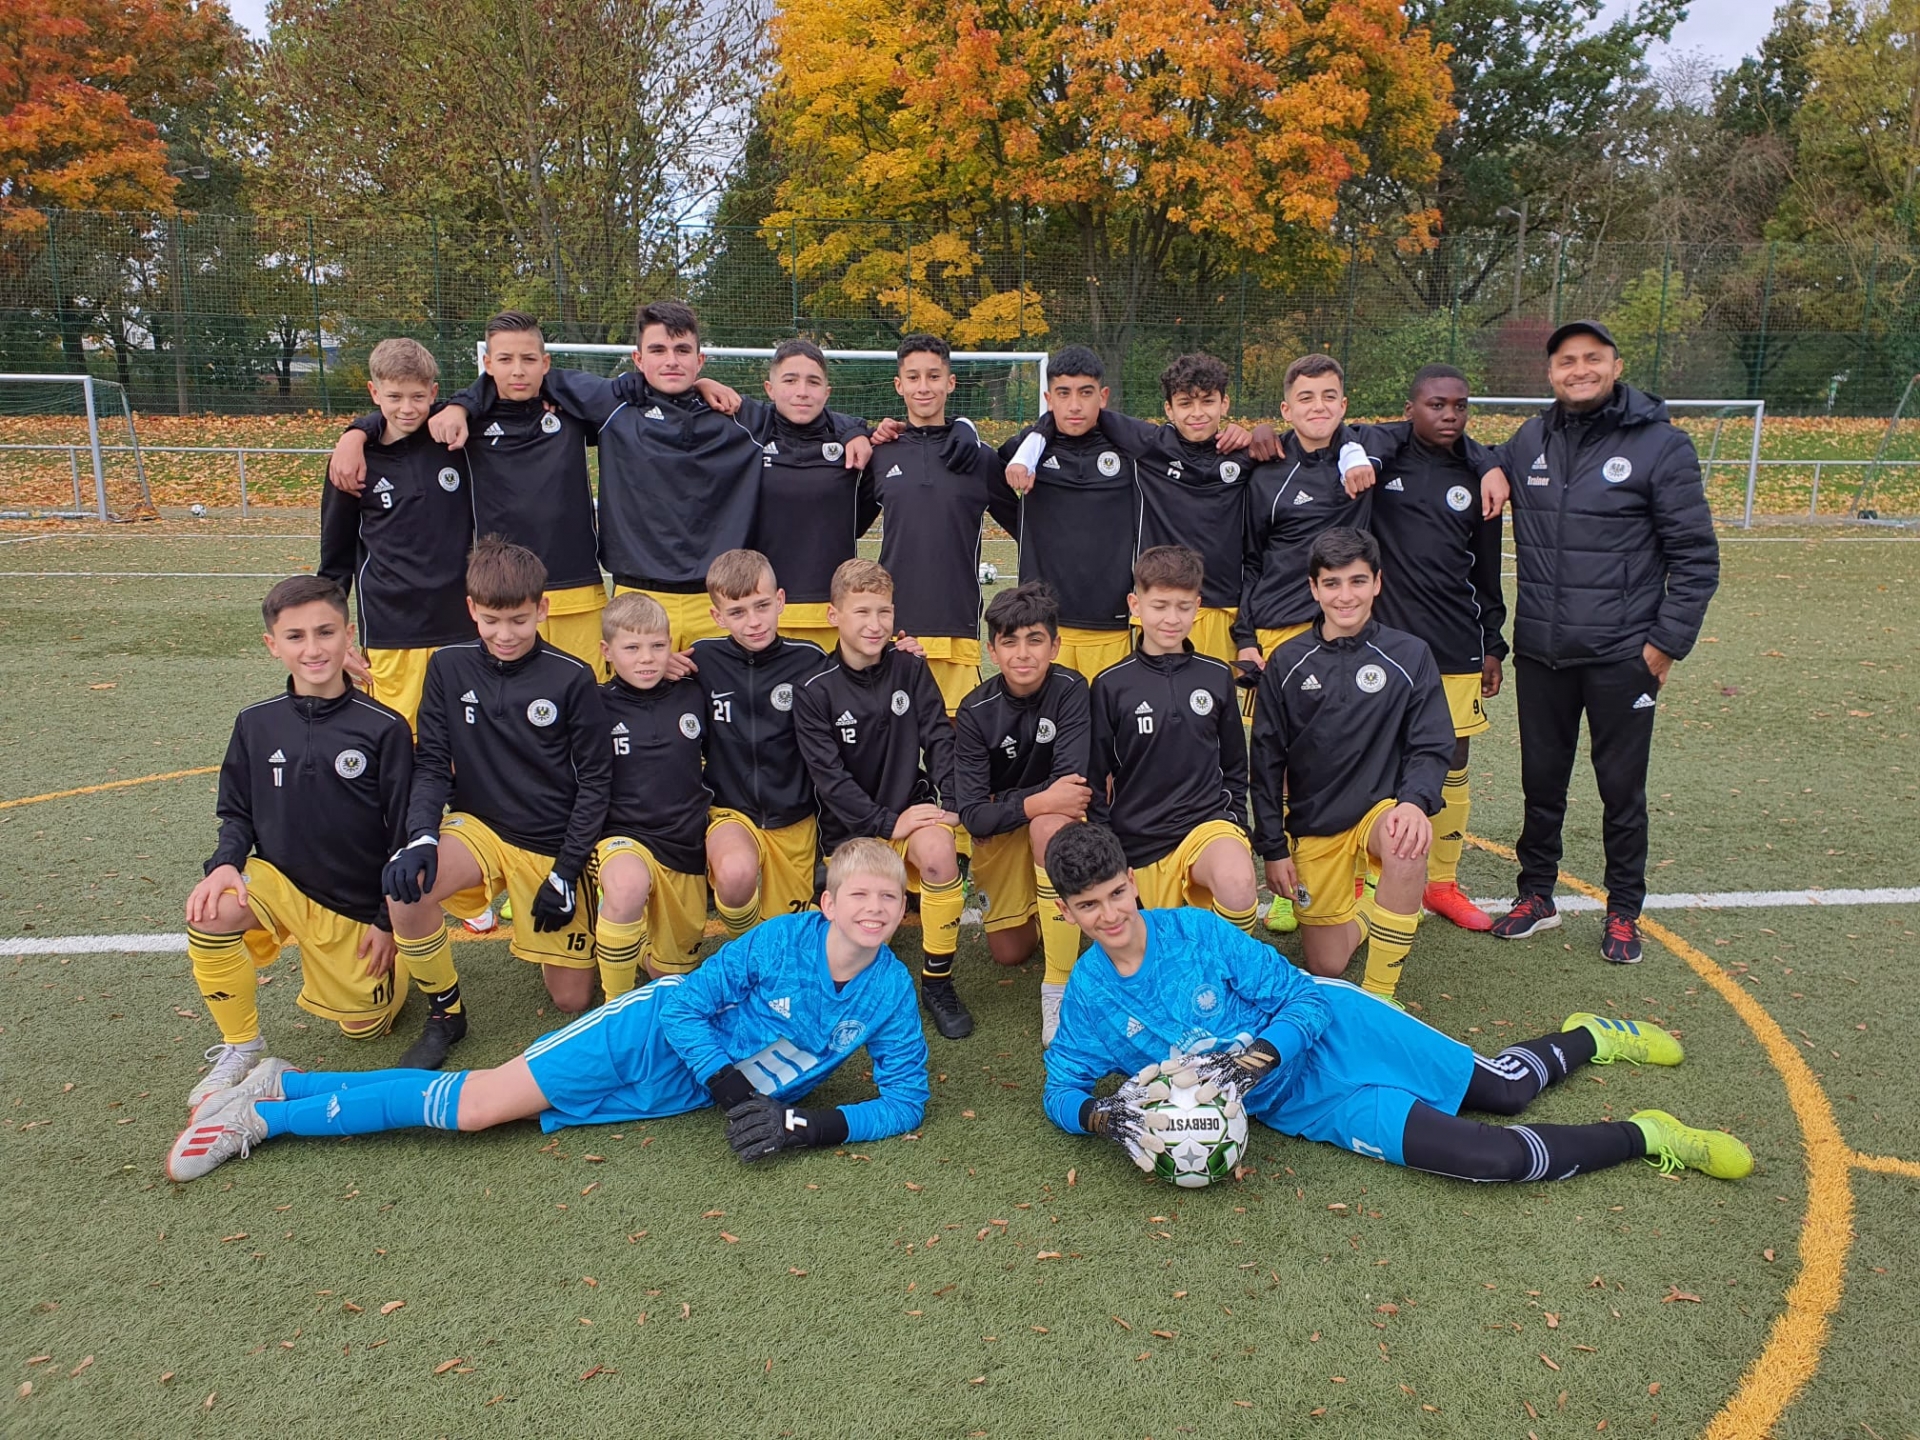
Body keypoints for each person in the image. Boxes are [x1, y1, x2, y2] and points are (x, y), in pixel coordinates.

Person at [165, 839, 932, 1184]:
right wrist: (736, 1092)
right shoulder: (779, 941)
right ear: (827, 903)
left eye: (890, 899)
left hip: (675, 1093)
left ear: (904, 911)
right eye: (858, 895)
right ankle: (264, 1119)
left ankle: (283, 1082)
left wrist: (807, 1127)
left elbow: (905, 1101)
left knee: (491, 1107)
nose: (874, 909)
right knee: (478, 1106)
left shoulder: (891, 992)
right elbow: (687, 1008)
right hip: (646, 1036)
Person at [1038, 822, 1755, 1187]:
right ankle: (1648, 1135)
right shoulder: (1091, 1001)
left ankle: (1592, 1036)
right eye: (1088, 906)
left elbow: (1300, 997)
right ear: (1066, 911)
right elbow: (1060, 1087)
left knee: (1504, 1091)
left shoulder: (1197, 933)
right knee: (1490, 1159)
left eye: (1116, 894)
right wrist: (1100, 1115)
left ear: (1133, 882)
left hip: (1341, 1031)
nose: (1110, 915)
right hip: (1307, 1105)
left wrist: (1260, 1055)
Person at [1487, 321, 1720, 964]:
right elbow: (1467, 452)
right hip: (1542, 651)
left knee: (1621, 790)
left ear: (1616, 366)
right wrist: (1493, 469)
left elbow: (1696, 559)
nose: (1579, 369)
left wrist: (1665, 644)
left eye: (1593, 358)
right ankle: (1537, 895)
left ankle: (1623, 910)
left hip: (1623, 656)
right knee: (1541, 783)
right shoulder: (1529, 439)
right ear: (1551, 373)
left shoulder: (1662, 445)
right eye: (1567, 360)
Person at [182, 576, 415, 1112]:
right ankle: (242, 1045)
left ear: (348, 636)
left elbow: (403, 831)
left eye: (325, 632)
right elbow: (237, 812)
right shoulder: (255, 724)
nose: (313, 649)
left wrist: (387, 921)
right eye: (295, 636)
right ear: (273, 645)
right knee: (211, 910)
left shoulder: (384, 727)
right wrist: (225, 864)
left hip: (355, 904)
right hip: (280, 882)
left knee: (365, 1027)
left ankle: (405, 959)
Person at [381, 538, 611, 1064]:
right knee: (407, 892)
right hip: (480, 827)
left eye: (518, 620)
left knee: (572, 1000)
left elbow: (597, 783)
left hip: (550, 841)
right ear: (471, 610)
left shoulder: (572, 677)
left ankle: (591, 917)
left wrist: (565, 871)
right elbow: (431, 761)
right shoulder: (447, 666)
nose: (504, 634)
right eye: (491, 620)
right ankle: (446, 1013)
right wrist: (421, 837)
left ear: (542, 609)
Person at [326, 311, 608, 673]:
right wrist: (355, 434)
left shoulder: (566, 411)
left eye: (528, 359)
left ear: (545, 364)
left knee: (581, 692)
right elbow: (406, 415)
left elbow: (622, 400)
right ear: (487, 365)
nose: (517, 370)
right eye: (504, 360)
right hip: (482, 602)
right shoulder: (460, 424)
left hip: (574, 588)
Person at [1249, 528, 1455, 1003]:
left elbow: (1430, 742)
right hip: (1316, 820)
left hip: (1379, 810)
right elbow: (1266, 761)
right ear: (1314, 588)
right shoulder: (1287, 662)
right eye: (1333, 583)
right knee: (1327, 963)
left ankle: (1381, 994)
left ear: (1377, 583)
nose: (1346, 596)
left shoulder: (1410, 655)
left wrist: (1413, 802)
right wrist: (1274, 849)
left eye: (1358, 581)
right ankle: (1371, 908)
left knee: (1406, 842)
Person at [1342, 365, 1509, 931]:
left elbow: (1487, 571)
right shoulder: (1378, 461)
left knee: (1452, 759)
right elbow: (1348, 435)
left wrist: (1493, 643)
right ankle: (1360, 879)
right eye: (1436, 405)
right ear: (1410, 409)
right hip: (1383, 644)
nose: (1450, 416)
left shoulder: (1479, 476)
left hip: (1455, 642)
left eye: (1460, 406)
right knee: (1371, 756)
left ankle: (1442, 884)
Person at [1230, 352, 1383, 934]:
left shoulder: (1365, 458)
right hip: (1277, 634)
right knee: (1280, 762)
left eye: (1328, 397)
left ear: (1344, 405)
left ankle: (1355, 877)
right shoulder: (1266, 472)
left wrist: (1354, 449)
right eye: (1305, 398)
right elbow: (1249, 561)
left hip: (1345, 632)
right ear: (1286, 409)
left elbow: (1422, 433)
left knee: (1344, 755)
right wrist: (1245, 637)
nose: (1318, 407)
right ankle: (1287, 881)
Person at [794, 559, 970, 1038]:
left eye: (884, 612)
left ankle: (937, 983)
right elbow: (829, 779)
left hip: (909, 810)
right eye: (862, 612)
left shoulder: (910, 668)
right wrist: (887, 823)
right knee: (853, 945)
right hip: (850, 830)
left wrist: (953, 803)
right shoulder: (814, 690)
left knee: (939, 852)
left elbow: (940, 739)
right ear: (834, 616)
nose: (875, 625)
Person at [1088, 545, 1258, 933]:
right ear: (1136, 605)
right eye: (1160, 605)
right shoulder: (1110, 685)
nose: (1171, 618)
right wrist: (1109, 850)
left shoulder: (1216, 675)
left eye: (1183, 607)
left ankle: (1230, 966)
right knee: (1160, 955)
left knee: (1236, 880)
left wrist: (1236, 823)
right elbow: (1095, 779)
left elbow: (1234, 763)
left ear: (1197, 607)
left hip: (1206, 827)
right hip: (1139, 841)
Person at [953, 582, 1093, 1045]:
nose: (1023, 653)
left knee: (1051, 825)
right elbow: (974, 815)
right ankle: (1048, 911)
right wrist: (1034, 801)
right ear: (992, 650)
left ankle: (1058, 986)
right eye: (1009, 642)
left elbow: (1071, 788)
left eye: (1035, 640)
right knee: (1009, 953)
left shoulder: (1072, 689)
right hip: (1005, 832)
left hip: (1051, 823)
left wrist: (1012, 804)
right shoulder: (975, 711)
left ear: (1055, 645)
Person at [316, 337, 475, 730]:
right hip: (390, 630)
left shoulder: (456, 442)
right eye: (394, 397)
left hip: (462, 624)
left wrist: (356, 430)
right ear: (374, 393)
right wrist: (331, 638)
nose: (407, 408)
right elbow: (335, 561)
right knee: (397, 741)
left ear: (434, 393)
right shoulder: (352, 465)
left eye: (418, 397)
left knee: (464, 741)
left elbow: (488, 395)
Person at [865, 333, 1016, 714]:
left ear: (950, 383)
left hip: (956, 628)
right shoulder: (879, 455)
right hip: (892, 628)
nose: (924, 387)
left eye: (934, 376)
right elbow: (844, 526)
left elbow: (1028, 529)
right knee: (891, 741)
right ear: (899, 385)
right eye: (913, 377)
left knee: (956, 742)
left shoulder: (979, 458)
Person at [688, 549, 830, 939]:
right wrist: (664, 664)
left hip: (794, 819)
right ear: (717, 616)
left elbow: (857, 677)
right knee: (736, 873)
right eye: (737, 612)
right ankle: (745, 944)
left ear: (780, 600)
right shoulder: (701, 660)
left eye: (762, 606)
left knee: (788, 937)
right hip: (730, 811)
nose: (753, 622)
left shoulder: (811, 660)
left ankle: (763, 949)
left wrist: (897, 654)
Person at [1083, 351, 1256, 665]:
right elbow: (1085, 410)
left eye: (1207, 401)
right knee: (1155, 692)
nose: (1197, 413)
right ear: (1169, 409)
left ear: (1224, 404)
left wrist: (1261, 434)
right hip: (1159, 605)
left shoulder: (1244, 455)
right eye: (1185, 403)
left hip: (1221, 607)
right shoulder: (1150, 446)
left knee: (1214, 693)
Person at [590, 592, 712, 999]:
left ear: (671, 645)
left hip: (684, 843)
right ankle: (613, 1008)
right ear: (606, 651)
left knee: (669, 977)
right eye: (632, 648)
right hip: (623, 836)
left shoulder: (693, 692)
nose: (646, 658)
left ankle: (638, 941)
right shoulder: (593, 705)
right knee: (626, 886)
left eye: (657, 646)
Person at [996, 346, 1140, 681]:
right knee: (1044, 715)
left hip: (1110, 622)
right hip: (1041, 623)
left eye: (1085, 393)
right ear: (1049, 399)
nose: (1075, 405)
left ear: (1103, 396)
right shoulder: (1026, 451)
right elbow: (985, 476)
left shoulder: (1131, 452)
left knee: (1107, 714)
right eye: (1063, 393)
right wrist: (1026, 530)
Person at [739, 339, 876, 653]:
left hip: (832, 608)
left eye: (813, 382)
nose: (802, 391)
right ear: (769, 389)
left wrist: (854, 429)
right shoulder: (746, 434)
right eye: (790, 380)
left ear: (827, 393)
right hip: (761, 608)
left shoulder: (854, 444)